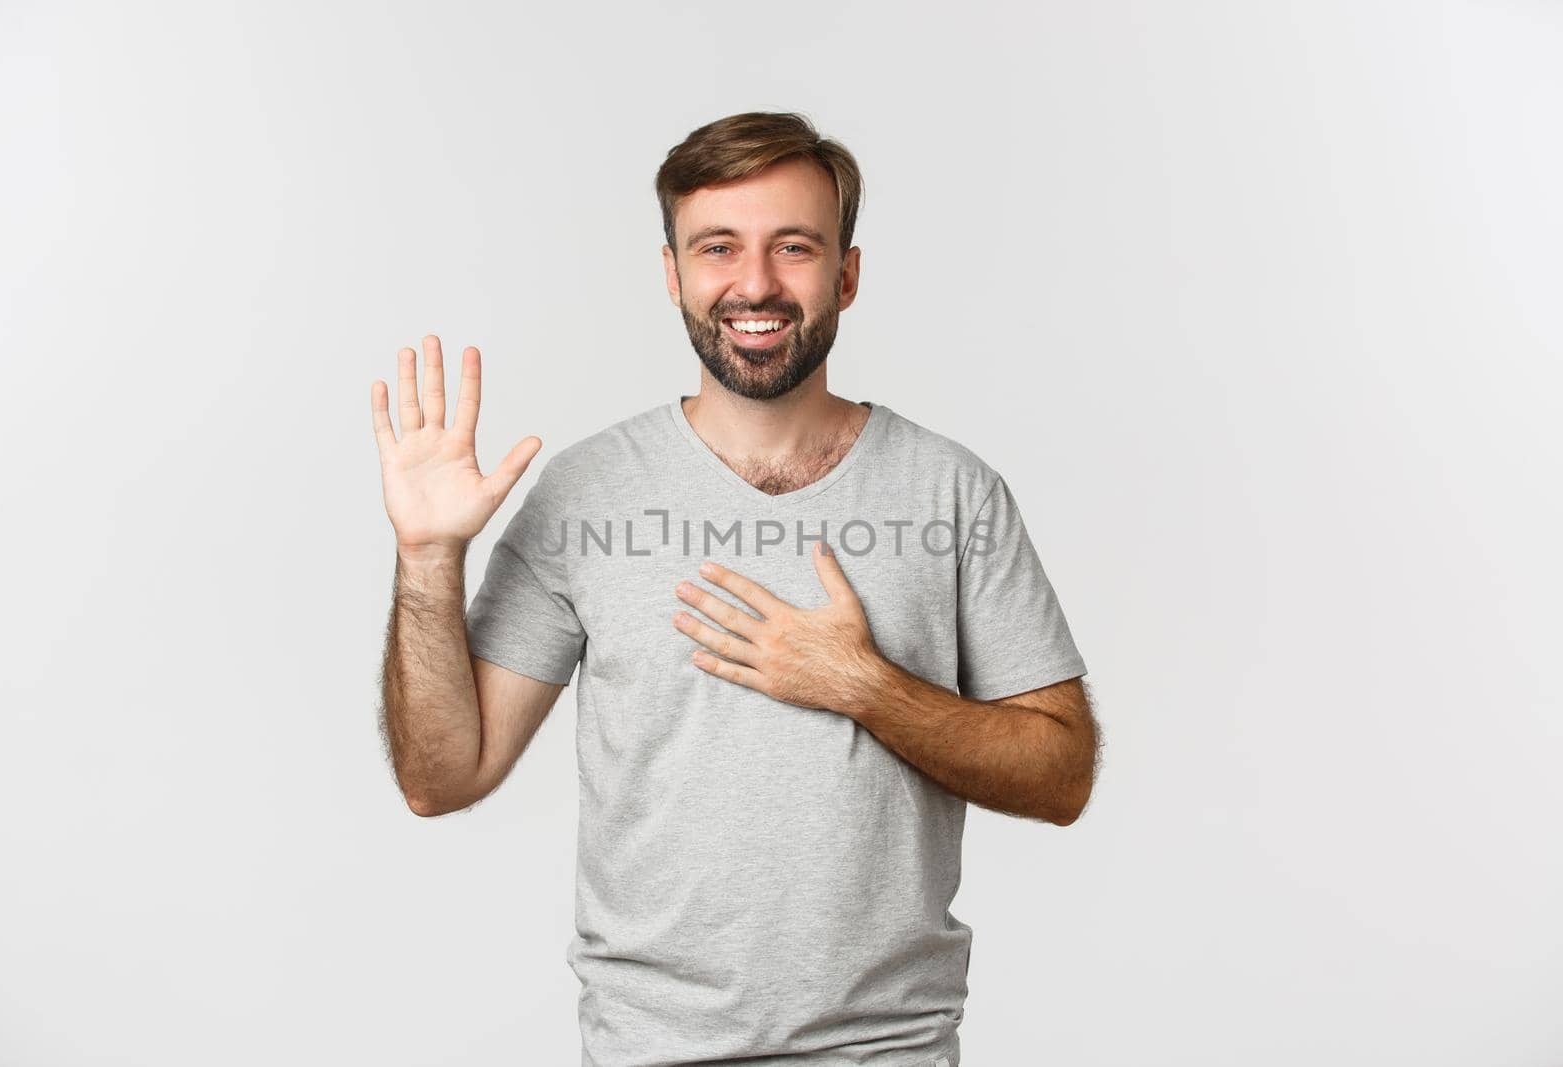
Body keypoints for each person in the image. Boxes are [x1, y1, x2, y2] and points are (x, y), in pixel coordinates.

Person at [373, 111, 1101, 1067]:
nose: (754, 284)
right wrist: (428, 558)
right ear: (672, 273)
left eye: (792, 247)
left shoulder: (951, 491)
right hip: (649, 1050)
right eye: (718, 247)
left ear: (846, 272)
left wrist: (863, 685)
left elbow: (1061, 774)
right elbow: (441, 777)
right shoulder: (587, 495)